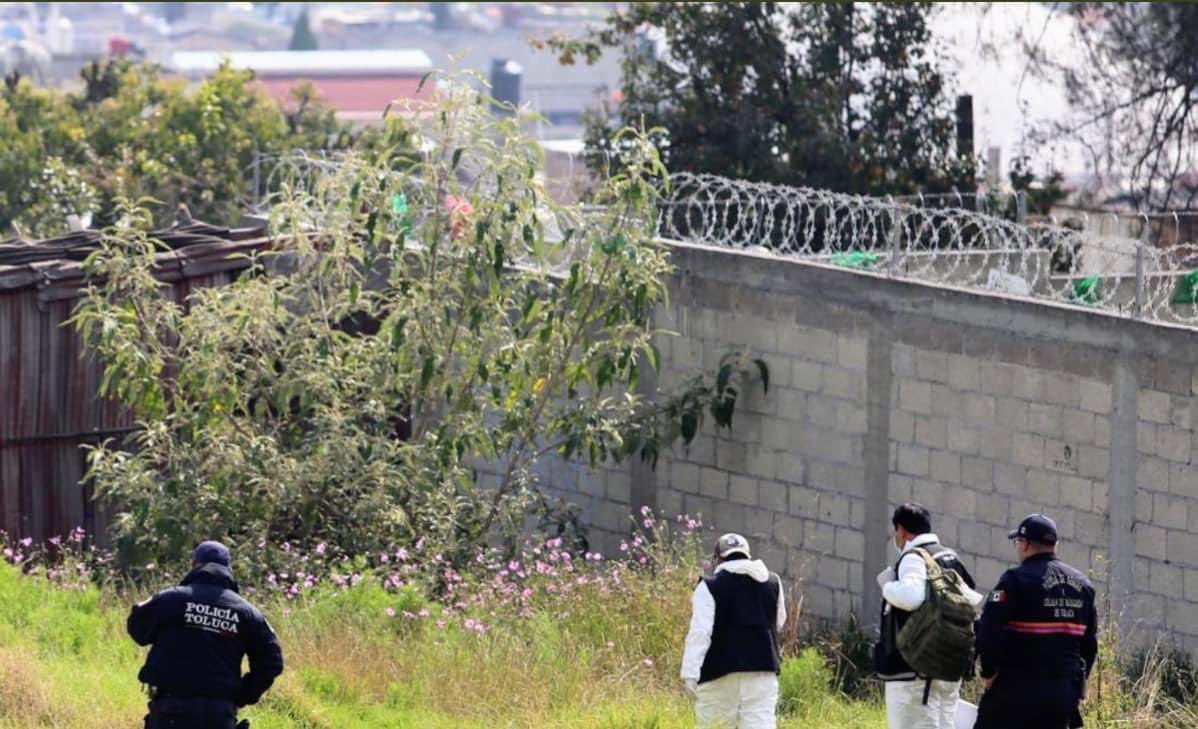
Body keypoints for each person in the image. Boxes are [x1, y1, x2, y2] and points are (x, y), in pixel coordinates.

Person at [128, 541, 284, 729]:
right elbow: (272, 662)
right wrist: (243, 696)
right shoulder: (248, 613)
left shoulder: (170, 599)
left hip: (170, 710)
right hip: (219, 715)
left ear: (195, 564)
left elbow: (137, 630)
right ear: (228, 569)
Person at [974, 514, 1098, 729]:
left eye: (1018, 542)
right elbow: (1089, 644)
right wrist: (1075, 687)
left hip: (1015, 690)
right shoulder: (1083, 585)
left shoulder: (1015, 580)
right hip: (1062, 695)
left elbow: (989, 631)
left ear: (1025, 544)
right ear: (1054, 546)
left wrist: (988, 672)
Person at [874, 502, 983, 729]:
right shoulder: (950, 558)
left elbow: (912, 596)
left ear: (901, 531)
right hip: (947, 668)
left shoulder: (914, 557)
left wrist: (888, 586)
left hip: (914, 673)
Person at [681, 533, 786, 729]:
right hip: (762, 673)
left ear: (718, 559)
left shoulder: (709, 586)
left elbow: (700, 634)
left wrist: (690, 674)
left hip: (719, 674)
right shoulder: (774, 583)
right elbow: (778, 622)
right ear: (747, 555)